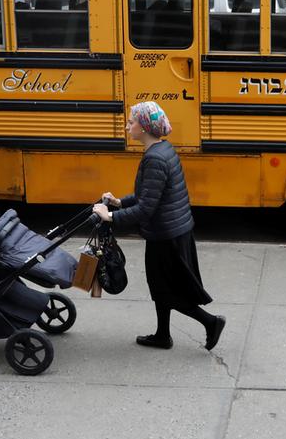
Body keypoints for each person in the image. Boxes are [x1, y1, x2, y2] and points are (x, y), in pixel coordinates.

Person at [93, 101, 225, 350]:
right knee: (160, 286)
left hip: (167, 236)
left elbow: (145, 209)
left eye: (130, 122)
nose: (126, 126)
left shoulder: (155, 159)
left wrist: (110, 217)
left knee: (167, 290)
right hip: (171, 232)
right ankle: (163, 335)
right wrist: (119, 202)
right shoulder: (162, 150)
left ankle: (211, 322)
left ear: (143, 128)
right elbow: (148, 194)